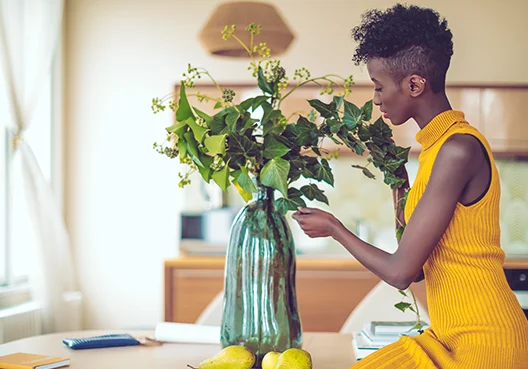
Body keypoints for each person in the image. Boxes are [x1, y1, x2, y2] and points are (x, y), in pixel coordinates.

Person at [292, 4, 528, 368]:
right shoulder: (435, 149)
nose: (375, 98)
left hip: (484, 341)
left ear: (414, 84)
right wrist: (399, 183)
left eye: (378, 86)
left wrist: (335, 229)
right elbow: (418, 268)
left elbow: (401, 273)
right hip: (448, 336)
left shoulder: (458, 149)